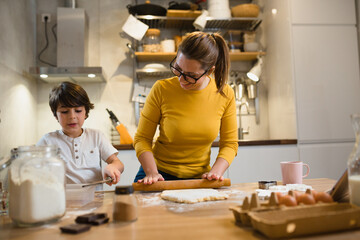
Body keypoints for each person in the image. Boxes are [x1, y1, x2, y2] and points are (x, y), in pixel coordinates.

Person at [133, 32, 238, 184]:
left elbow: (230, 143)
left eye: (190, 75)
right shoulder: (161, 89)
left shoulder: (225, 94)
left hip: (199, 178)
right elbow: (142, 138)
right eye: (178, 68)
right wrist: (152, 172)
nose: (181, 78)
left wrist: (215, 172)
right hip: (156, 173)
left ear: (209, 71)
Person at [37, 82, 124, 187]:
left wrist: (113, 167)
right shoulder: (48, 141)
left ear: (86, 112)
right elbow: (33, 169)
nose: (72, 116)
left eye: (78, 110)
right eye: (65, 112)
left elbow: (118, 163)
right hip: (62, 200)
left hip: (95, 199)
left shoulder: (96, 136)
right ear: (56, 115)